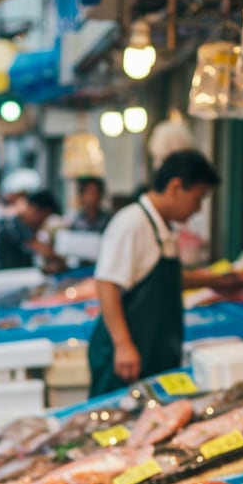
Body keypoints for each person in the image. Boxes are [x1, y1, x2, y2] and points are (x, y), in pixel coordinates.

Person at [88, 148, 224, 398]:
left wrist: (218, 282)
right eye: (198, 198)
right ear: (175, 187)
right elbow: (106, 283)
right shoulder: (132, 223)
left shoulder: (162, 227)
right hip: (126, 357)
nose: (198, 209)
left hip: (154, 352)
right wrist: (123, 345)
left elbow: (164, 281)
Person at [0, 189, 63, 273]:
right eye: (45, 218)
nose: (42, 224)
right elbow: (45, 251)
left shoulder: (11, 218)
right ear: (36, 210)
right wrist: (64, 260)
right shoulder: (15, 222)